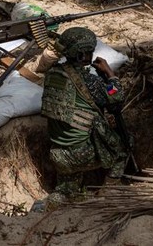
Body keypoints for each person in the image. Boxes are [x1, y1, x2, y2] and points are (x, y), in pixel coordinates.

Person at [39, 26, 128, 208]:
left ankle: (50, 205)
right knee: (124, 148)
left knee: (66, 192)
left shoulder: (53, 73)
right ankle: (109, 189)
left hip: (58, 154)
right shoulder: (90, 82)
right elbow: (115, 95)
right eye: (89, 52)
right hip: (79, 155)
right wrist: (110, 75)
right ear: (81, 54)